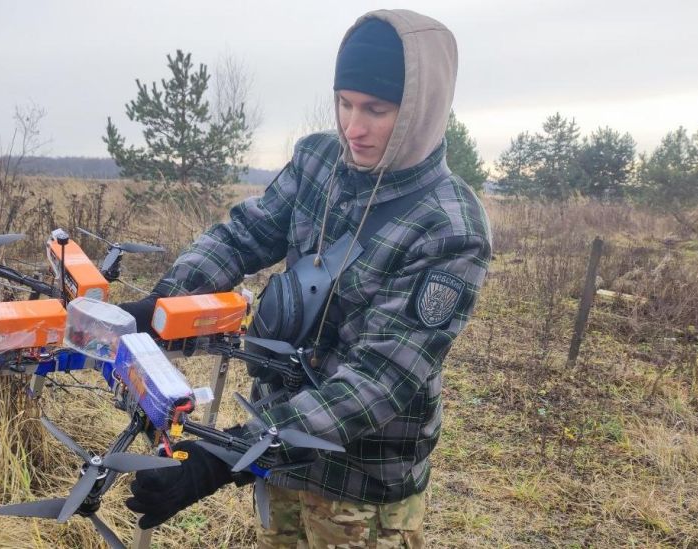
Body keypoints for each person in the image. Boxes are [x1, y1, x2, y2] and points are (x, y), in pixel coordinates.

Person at [121, 9, 491, 547]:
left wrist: (225, 456)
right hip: (281, 458)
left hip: (360, 486)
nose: (353, 127)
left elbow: (377, 383)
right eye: (344, 102)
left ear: (423, 109)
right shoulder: (320, 161)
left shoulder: (450, 228)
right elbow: (243, 235)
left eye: (376, 109)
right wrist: (164, 306)